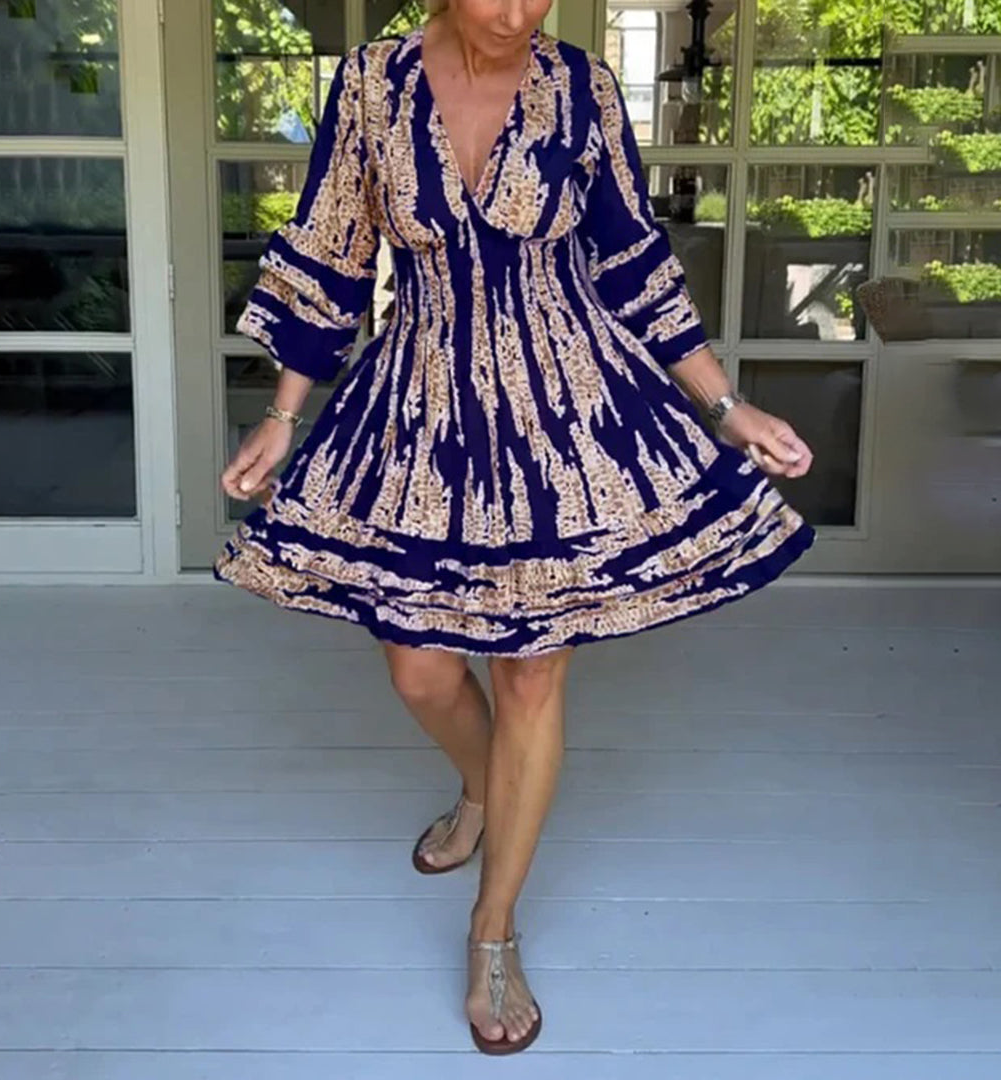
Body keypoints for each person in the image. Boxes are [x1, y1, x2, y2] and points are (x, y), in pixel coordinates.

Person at [216, 0, 815, 1056]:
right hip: (423, 403)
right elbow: (332, 253)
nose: (519, 11)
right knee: (419, 670)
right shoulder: (370, 86)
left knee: (532, 672)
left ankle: (492, 931)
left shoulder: (582, 90)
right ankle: (486, 787)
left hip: (565, 408)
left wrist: (726, 405)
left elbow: (633, 262)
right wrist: (281, 416)